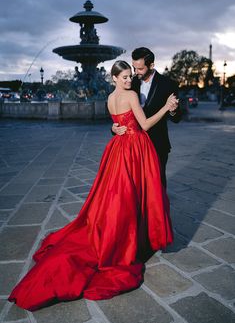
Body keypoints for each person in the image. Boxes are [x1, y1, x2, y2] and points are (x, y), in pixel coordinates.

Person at [8, 61, 177, 312]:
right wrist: (165, 107)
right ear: (114, 78)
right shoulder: (131, 96)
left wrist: (113, 127)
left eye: (131, 77)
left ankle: (128, 235)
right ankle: (130, 240)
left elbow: (117, 121)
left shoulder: (110, 98)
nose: (129, 81)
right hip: (135, 149)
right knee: (136, 195)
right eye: (125, 77)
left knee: (119, 196)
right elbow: (145, 125)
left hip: (118, 149)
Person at [112, 47, 181, 187]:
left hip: (157, 143)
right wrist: (114, 127)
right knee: (136, 186)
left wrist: (172, 110)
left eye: (140, 69)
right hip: (133, 145)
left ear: (151, 65)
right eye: (134, 67)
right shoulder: (131, 83)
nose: (135, 72)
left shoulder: (168, 84)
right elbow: (121, 109)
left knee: (157, 184)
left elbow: (177, 118)